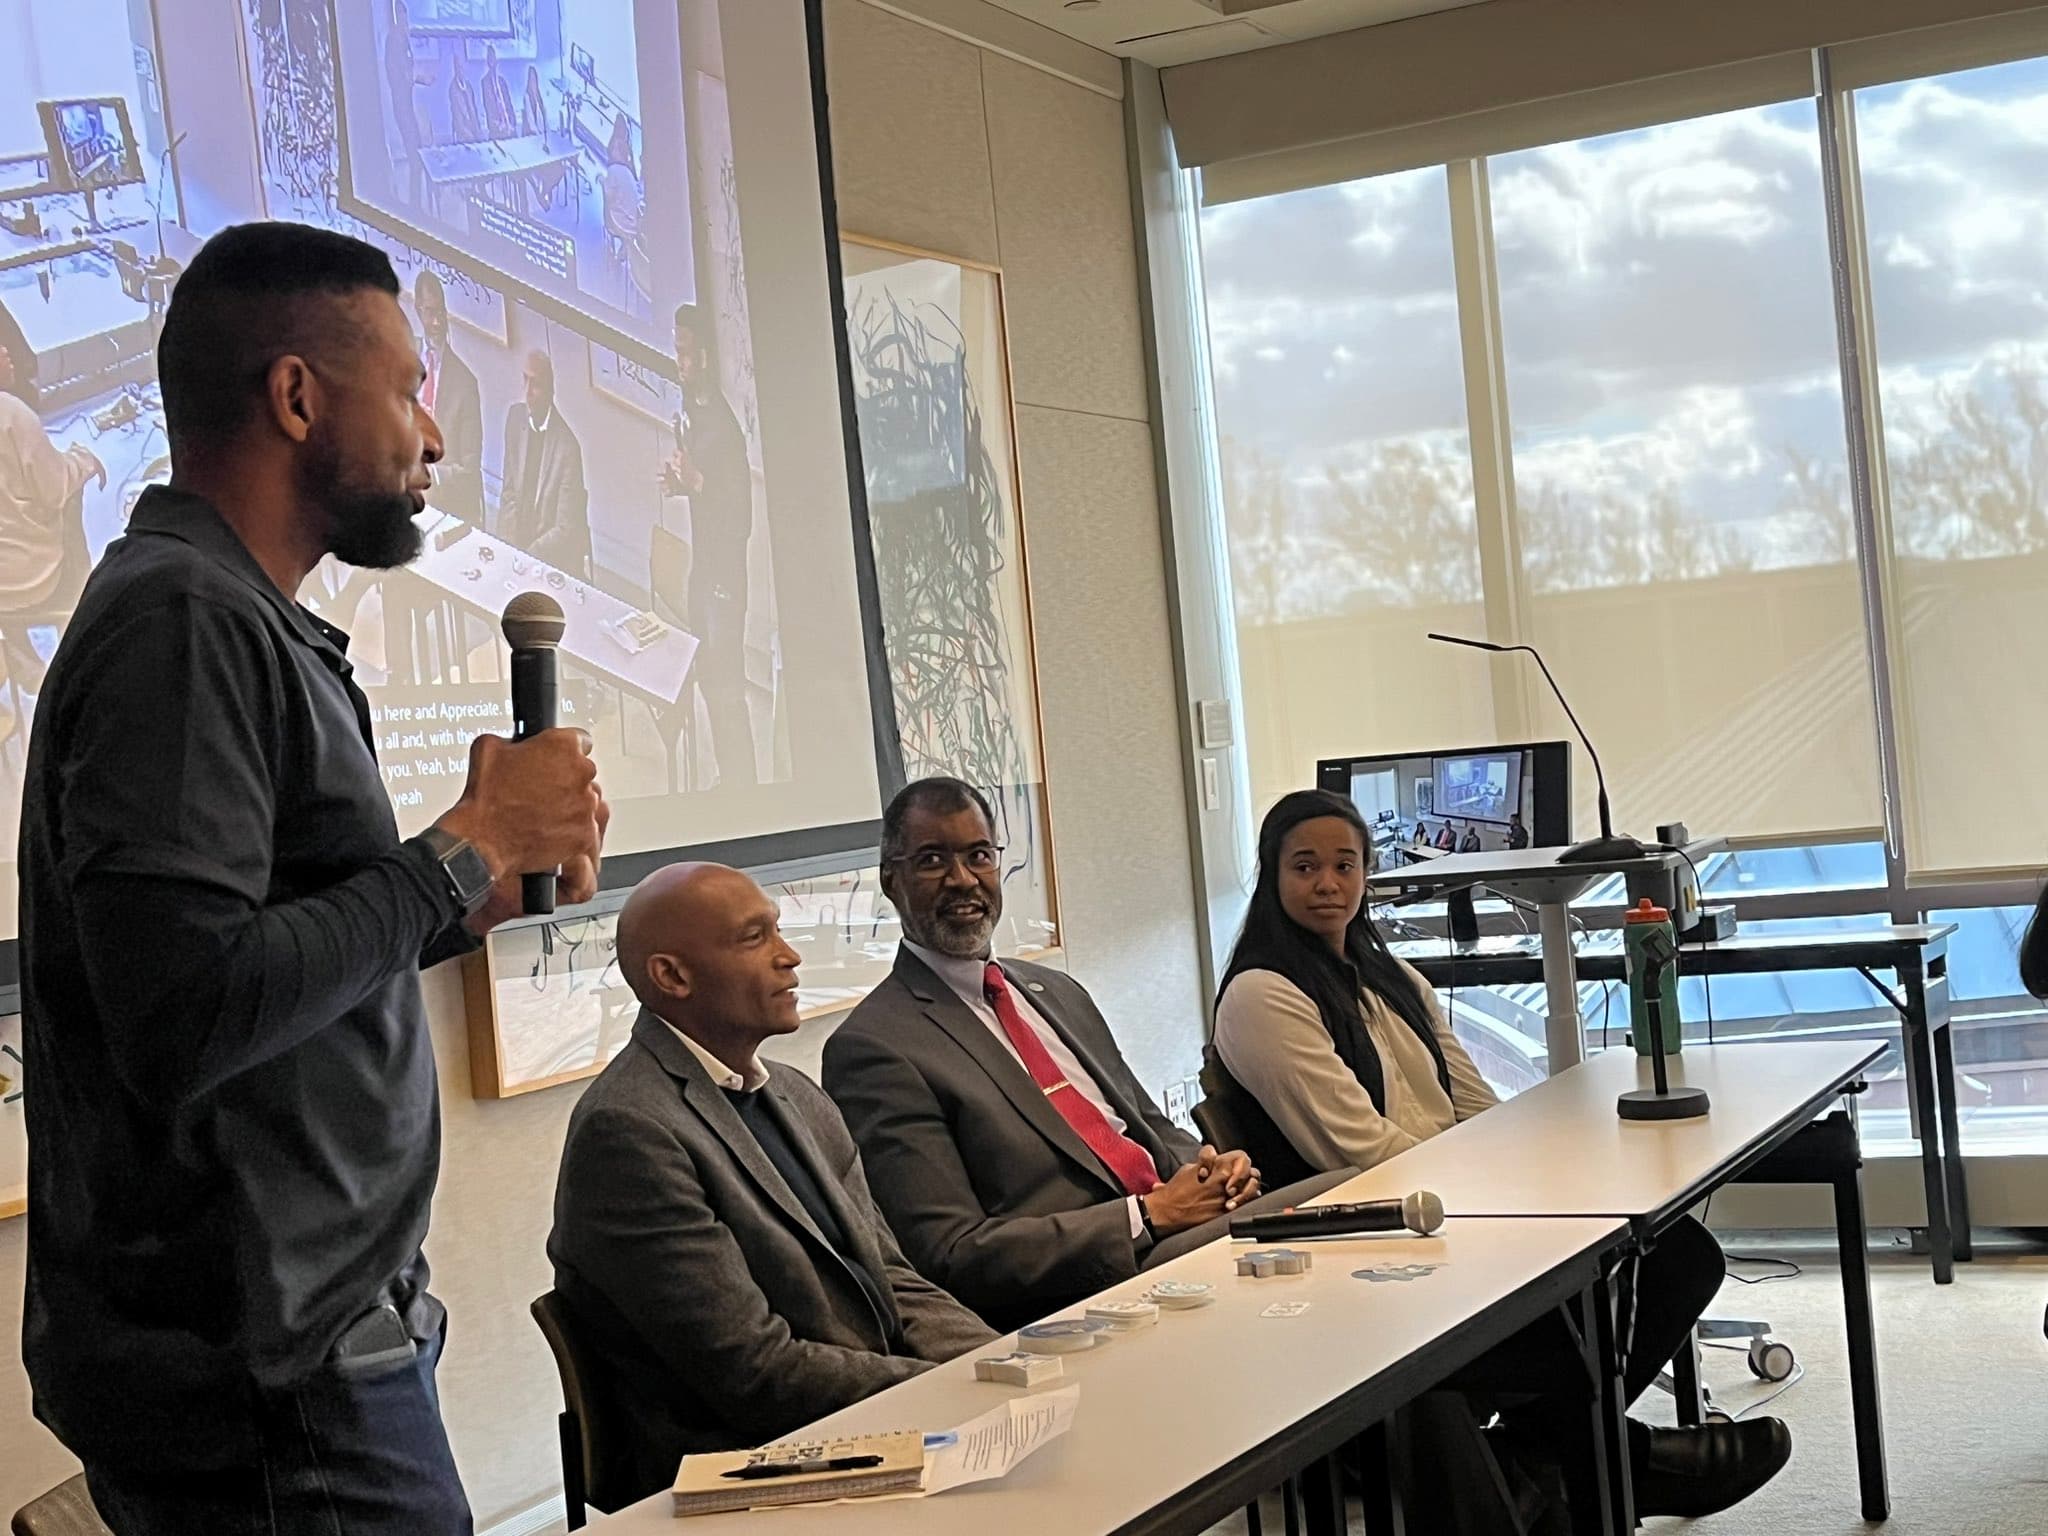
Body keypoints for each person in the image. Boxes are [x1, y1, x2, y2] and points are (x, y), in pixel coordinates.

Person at [19, 222, 608, 1533]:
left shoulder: (229, 615)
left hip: (315, 1356)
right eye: (408, 389)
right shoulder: (181, 620)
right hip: (267, 1389)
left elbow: (275, 967)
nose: (434, 440)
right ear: (295, 396)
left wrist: (477, 898)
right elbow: (182, 1013)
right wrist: (467, 847)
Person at [1207, 790, 1792, 1521]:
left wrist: (1529, 1175)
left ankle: (1539, 1459)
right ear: (1272, 876)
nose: (1328, 884)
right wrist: (1496, 1197)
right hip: (1379, 1239)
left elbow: (1480, 1104)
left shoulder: (1393, 977)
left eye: (1344, 865)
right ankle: (1619, 1464)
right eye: (1305, 867)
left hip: (1457, 1204)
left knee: (1681, 1252)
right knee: (1610, 1285)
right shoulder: (1263, 996)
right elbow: (1360, 1150)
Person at [824, 777, 1351, 1333]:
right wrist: (1146, 1216)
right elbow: (950, 1254)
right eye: (932, 860)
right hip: (1095, 1288)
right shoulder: (876, 1047)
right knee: (1341, 1199)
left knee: (1355, 1244)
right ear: (891, 880)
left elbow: (1148, 1124)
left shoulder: (1055, 992)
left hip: (1177, 1241)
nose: (963, 880)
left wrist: (1212, 1169)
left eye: (979, 855)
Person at [550, 864, 995, 1505]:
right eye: (754, 938)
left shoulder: (795, 1093)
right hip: (743, 1466)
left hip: (863, 1421)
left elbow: (893, 1279)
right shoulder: (628, 1133)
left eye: (778, 931)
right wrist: (939, 1391)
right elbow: (752, 1372)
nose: (789, 958)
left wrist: (998, 1363)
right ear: (672, 976)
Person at [661, 304, 756, 786]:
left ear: (705, 358)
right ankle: (729, 780)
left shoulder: (723, 425)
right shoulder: (693, 415)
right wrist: (683, 486)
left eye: (686, 353)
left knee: (726, 690)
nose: (679, 361)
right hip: (704, 573)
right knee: (708, 683)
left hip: (725, 582)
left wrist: (698, 483)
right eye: (677, 351)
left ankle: (743, 786)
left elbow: (740, 518)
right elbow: (704, 488)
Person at [0, 340, 103, 613]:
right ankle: (81, 615)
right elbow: (54, 489)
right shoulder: (12, 413)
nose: (6, 351)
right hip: (27, 580)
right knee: (70, 499)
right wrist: (84, 460)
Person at [497, 349, 590, 577]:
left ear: (550, 390)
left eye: (536, 384)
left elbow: (564, 528)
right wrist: (508, 547)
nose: (528, 392)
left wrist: (527, 556)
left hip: (550, 557)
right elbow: (508, 492)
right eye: (525, 380)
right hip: (517, 546)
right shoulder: (514, 418)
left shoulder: (567, 448)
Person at [414, 270, 481, 523]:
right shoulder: (404, 358)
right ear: (419, 310)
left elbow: (469, 469)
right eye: (430, 312)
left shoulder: (465, 383)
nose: (436, 322)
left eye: (440, 312)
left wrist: (431, 475)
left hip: (442, 502)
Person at [381, 1, 428, 204]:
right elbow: (400, 75)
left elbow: (409, 68)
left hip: (408, 104)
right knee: (414, 158)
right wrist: (419, 78)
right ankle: (414, 207)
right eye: (403, 16)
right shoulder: (392, 42)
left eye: (406, 16)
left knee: (418, 154)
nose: (406, 21)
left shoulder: (404, 41)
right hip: (401, 106)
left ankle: (416, 203)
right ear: (396, 17)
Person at [481, 45, 516, 139]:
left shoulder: (502, 81)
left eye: (494, 59)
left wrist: (512, 124)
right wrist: (499, 126)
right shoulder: (485, 82)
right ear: (488, 62)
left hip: (509, 128)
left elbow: (509, 104)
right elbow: (488, 108)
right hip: (497, 130)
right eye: (490, 60)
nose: (493, 63)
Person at [448, 59, 482, 144]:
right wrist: (468, 135)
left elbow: (474, 109)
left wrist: (477, 132)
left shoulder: (468, 86)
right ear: (455, 69)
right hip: (463, 134)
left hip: (474, 130)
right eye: (458, 67)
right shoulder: (453, 88)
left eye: (462, 68)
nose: (461, 70)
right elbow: (457, 117)